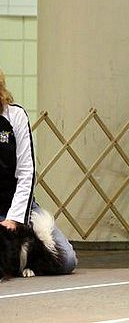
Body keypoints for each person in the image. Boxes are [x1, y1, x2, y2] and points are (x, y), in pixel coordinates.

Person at [0, 69, 77, 275]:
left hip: (17, 206)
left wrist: (14, 218)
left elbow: (27, 173)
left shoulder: (15, 116)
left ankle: (21, 262)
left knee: (67, 261)